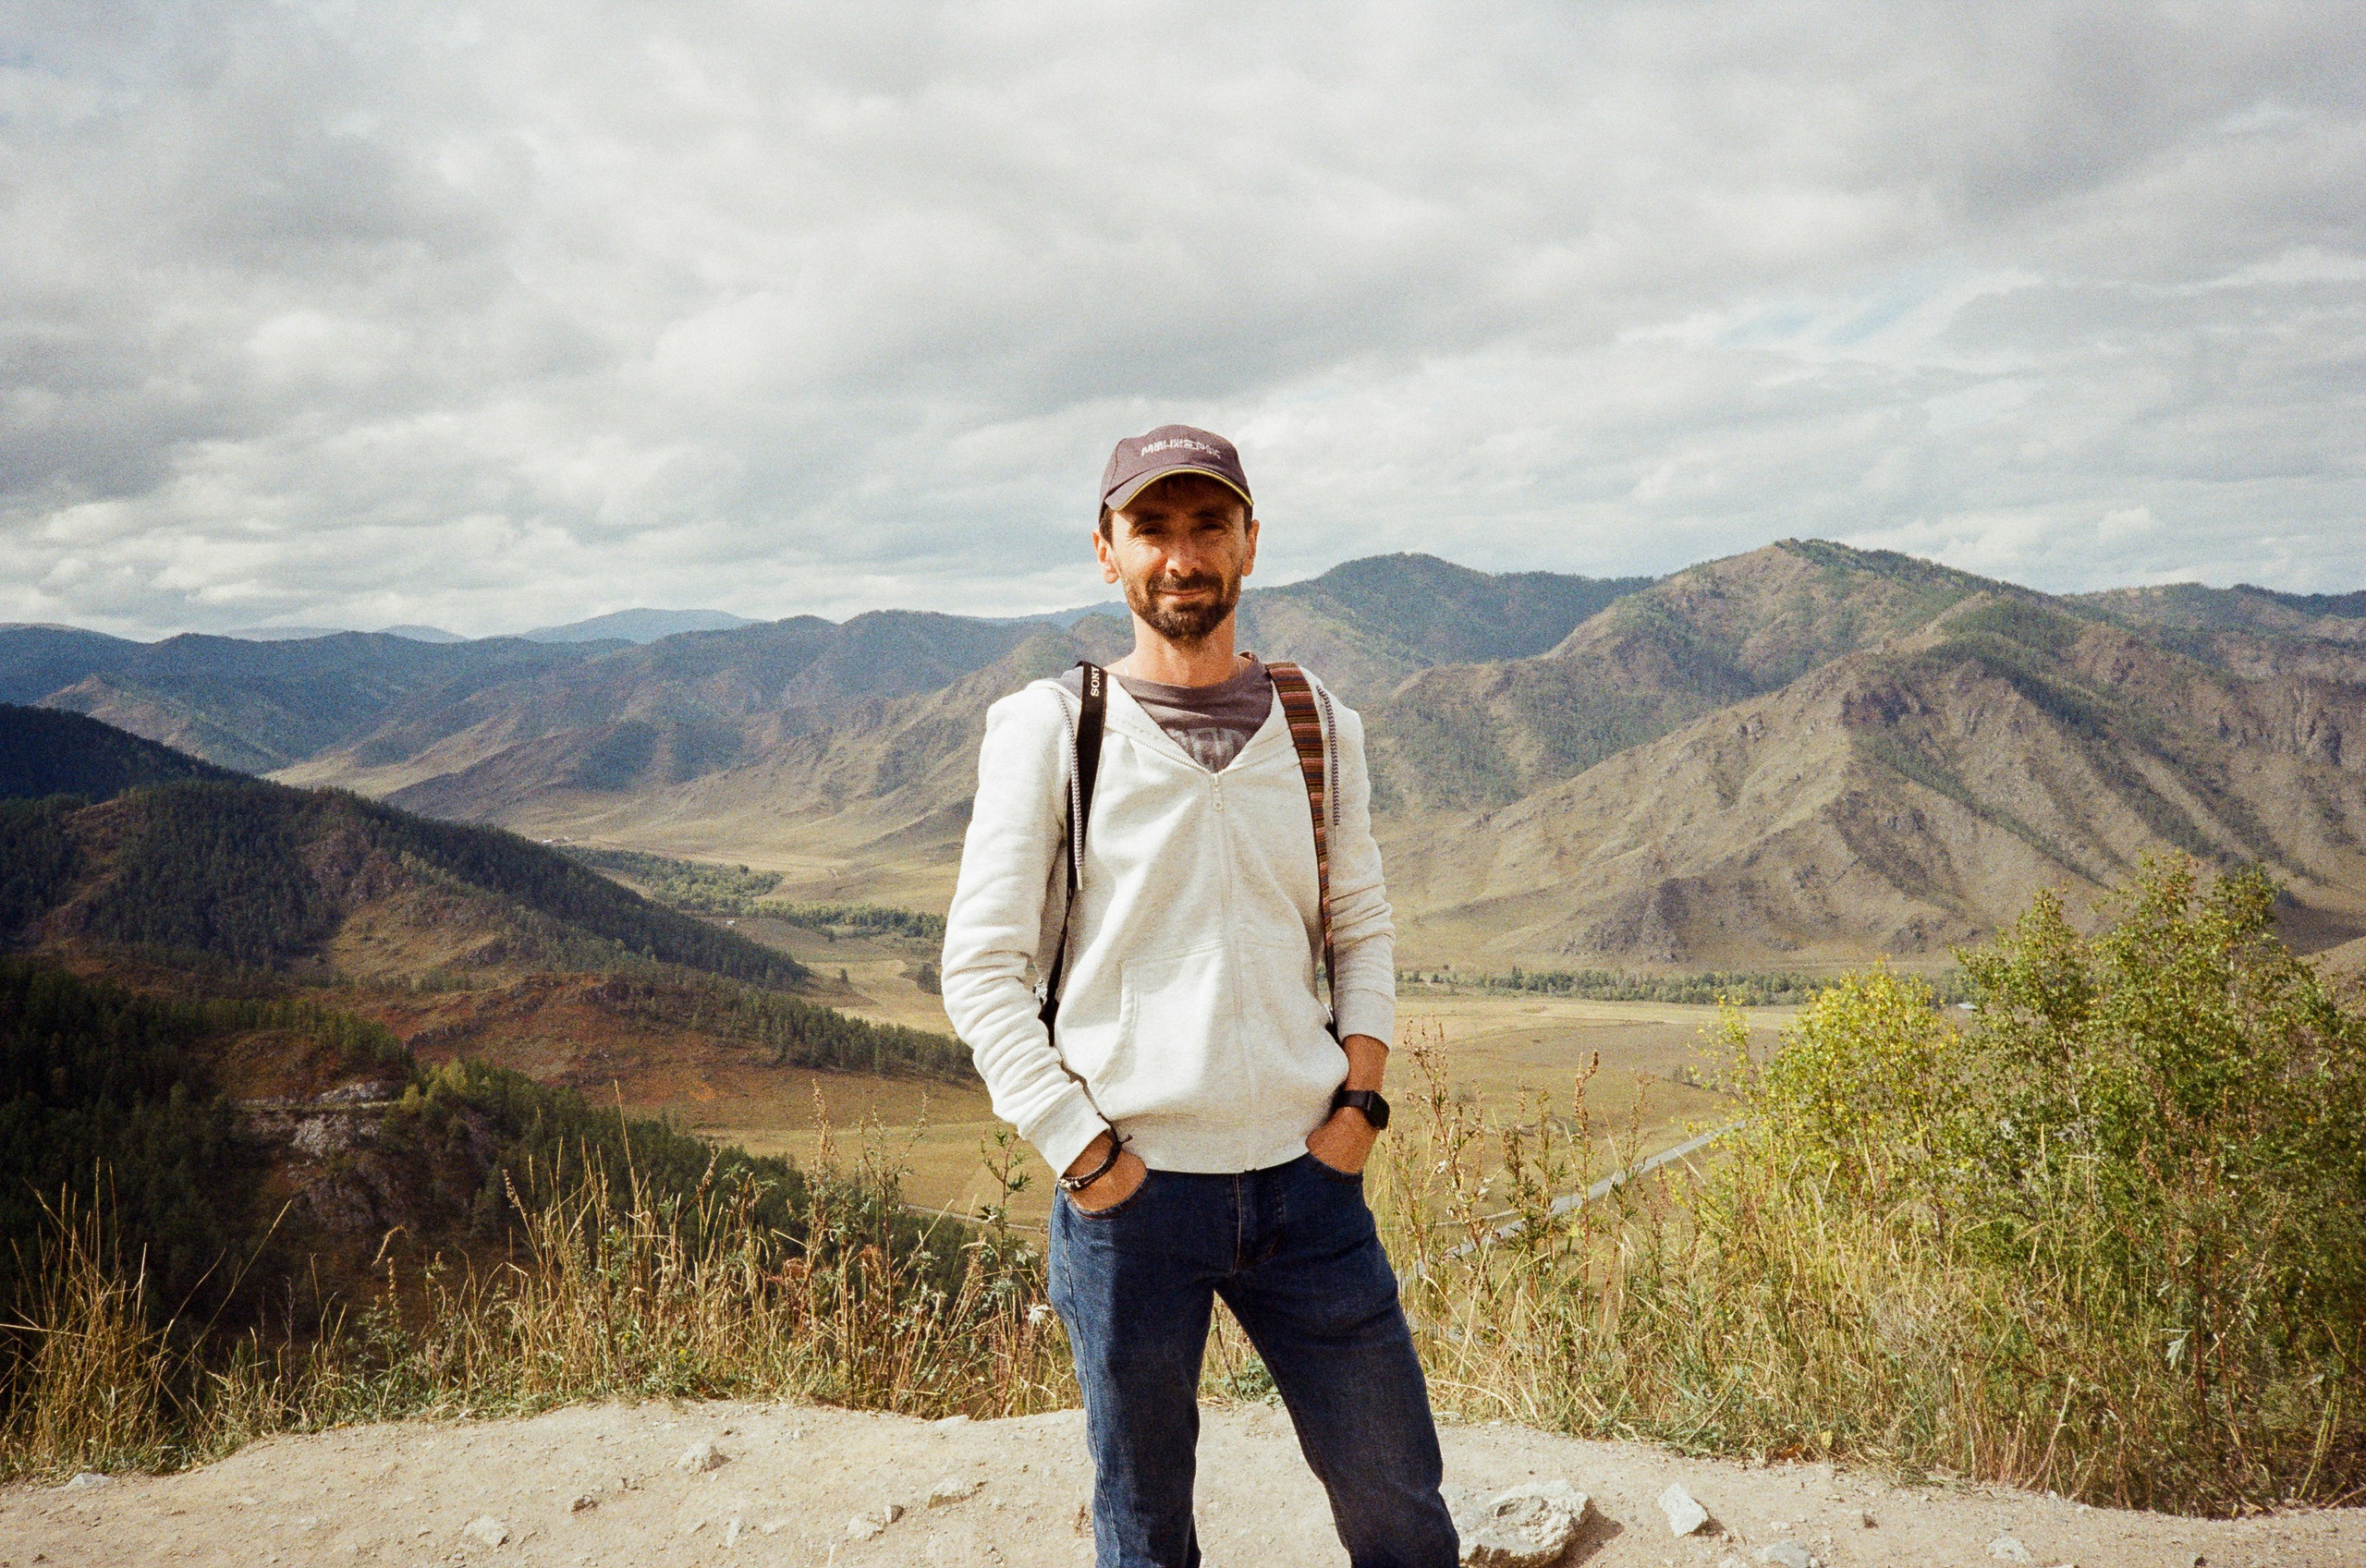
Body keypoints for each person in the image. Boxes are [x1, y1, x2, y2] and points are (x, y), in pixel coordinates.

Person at [940, 426, 1458, 1568]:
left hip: (1307, 1191)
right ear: (1106, 551)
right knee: (1145, 1524)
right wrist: (1087, 1155)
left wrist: (1356, 1109)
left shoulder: (1319, 722)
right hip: (1133, 1203)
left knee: (1398, 1505)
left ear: (1250, 543)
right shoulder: (1049, 729)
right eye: (1153, 528)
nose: (1183, 554)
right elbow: (981, 969)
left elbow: (1359, 923)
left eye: (1207, 525)